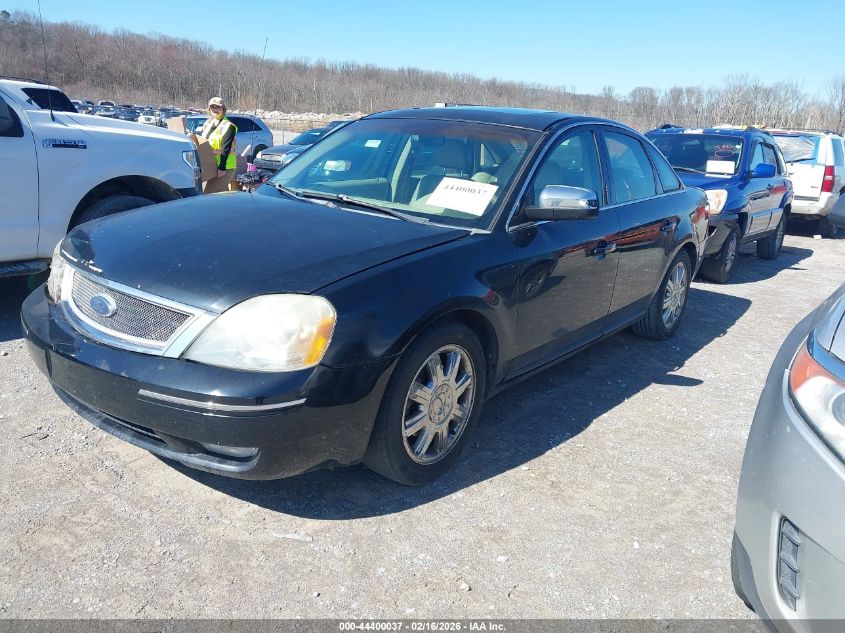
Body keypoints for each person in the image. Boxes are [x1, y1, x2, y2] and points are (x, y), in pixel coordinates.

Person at [200, 97, 238, 193]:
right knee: (222, 194)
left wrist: (222, 168)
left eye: (218, 107)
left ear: (223, 109)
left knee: (209, 193)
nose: (215, 109)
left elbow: (226, 148)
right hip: (212, 166)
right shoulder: (207, 124)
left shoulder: (229, 126)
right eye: (212, 107)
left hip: (225, 167)